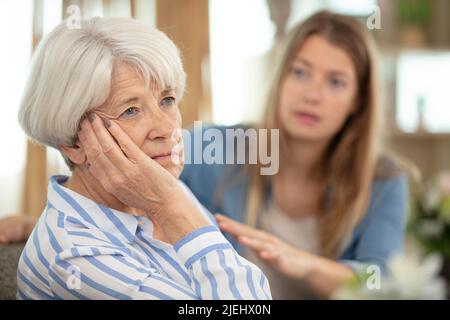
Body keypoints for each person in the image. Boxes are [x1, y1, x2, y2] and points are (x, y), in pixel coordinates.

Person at [14, 17, 271, 300]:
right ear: (73, 143)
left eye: (167, 100)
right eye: (130, 111)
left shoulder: (158, 188)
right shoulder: (76, 257)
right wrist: (171, 206)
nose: (167, 129)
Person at [180, 11, 409, 299]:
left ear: (358, 101)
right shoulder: (212, 146)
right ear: (281, 77)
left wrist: (306, 265)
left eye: (335, 82)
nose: (312, 95)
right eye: (300, 72)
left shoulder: (384, 180)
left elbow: (381, 282)